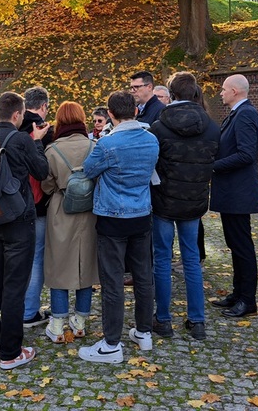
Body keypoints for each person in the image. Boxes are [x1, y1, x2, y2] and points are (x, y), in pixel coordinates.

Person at [78, 91, 158, 363]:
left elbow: (88, 171)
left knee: (112, 281)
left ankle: (112, 344)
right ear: (136, 111)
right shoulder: (152, 140)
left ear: (110, 114)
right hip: (141, 215)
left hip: (112, 218)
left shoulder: (107, 144)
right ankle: (144, 331)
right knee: (143, 276)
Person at [0, 91, 49, 370]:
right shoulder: (22, 139)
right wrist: (38, 143)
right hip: (18, 221)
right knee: (14, 287)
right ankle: (10, 352)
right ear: (18, 114)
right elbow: (42, 171)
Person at [149, 73, 219, 340]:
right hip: (194, 202)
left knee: (163, 260)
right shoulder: (212, 127)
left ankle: (163, 319)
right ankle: (197, 321)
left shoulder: (159, 127)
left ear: (172, 93)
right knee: (191, 261)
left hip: (164, 201)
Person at [42, 101, 98, 343]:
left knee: (59, 265)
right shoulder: (95, 146)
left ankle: (57, 323)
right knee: (86, 264)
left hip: (61, 209)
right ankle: (80, 321)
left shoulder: (52, 149)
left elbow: (47, 185)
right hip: (90, 211)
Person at [210, 74, 258, 319]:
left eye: (223, 90)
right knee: (235, 245)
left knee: (242, 247)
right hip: (232, 192)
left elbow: (246, 154)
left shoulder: (246, 114)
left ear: (234, 91)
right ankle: (238, 293)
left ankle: (247, 300)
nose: (220, 93)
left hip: (238, 193)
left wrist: (213, 165)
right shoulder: (237, 114)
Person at [19, 86, 55, 328]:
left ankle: (16, 306)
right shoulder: (44, 130)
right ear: (44, 106)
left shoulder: (13, 125)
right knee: (36, 257)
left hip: (13, 202)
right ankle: (29, 311)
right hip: (38, 203)